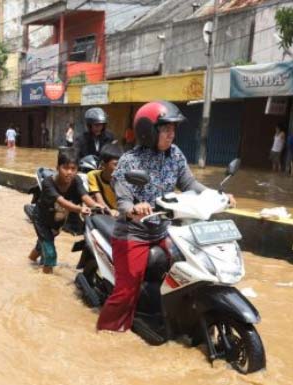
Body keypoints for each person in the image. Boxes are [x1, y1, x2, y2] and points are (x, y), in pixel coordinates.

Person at [96, 101, 236, 332]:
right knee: (126, 290)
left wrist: (218, 195)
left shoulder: (175, 154)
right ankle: (107, 329)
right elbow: (123, 200)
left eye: (173, 128)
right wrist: (134, 208)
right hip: (134, 233)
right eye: (166, 129)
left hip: (164, 229)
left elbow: (189, 183)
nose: (172, 134)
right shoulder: (129, 162)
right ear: (148, 131)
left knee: (189, 270)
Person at [28, 148, 102, 274]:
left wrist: (98, 206)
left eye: (73, 169)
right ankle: (46, 281)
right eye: (65, 168)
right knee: (50, 254)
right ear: (57, 167)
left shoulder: (76, 180)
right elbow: (61, 201)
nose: (69, 172)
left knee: (43, 245)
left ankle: (30, 260)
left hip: (57, 221)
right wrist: (80, 209)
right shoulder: (48, 183)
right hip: (41, 221)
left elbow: (84, 196)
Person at [87, 143, 123, 215]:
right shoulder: (93, 175)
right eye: (116, 164)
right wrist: (109, 211)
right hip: (106, 214)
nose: (120, 168)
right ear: (103, 164)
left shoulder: (124, 179)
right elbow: (99, 199)